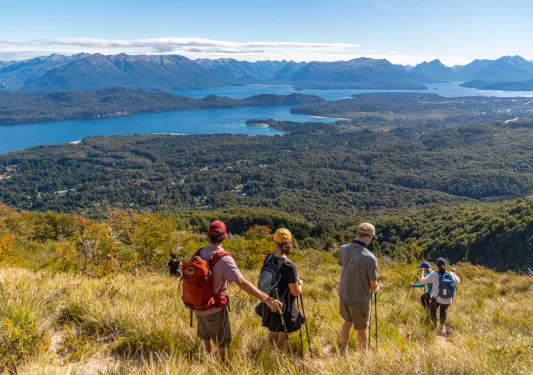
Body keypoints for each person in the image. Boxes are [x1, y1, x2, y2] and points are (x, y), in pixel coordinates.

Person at [192, 220, 282, 360]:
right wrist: (266, 299)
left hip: (197, 307)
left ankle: (208, 360)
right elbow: (242, 282)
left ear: (208, 235)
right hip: (214, 309)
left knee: (206, 335)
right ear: (225, 236)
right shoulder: (224, 259)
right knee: (222, 343)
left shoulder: (198, 253)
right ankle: (222, 366)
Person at [260, 228, 305, 350]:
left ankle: (268, 353)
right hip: (285, 304)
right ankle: (277, 358)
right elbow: (295, 291)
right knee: (283, 333)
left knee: (273, 329)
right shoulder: (289, 265)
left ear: (275, 241)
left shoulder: (269, 257)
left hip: (270, 301)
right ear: (290, 242)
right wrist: (300, 284)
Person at [338, 223, 379, 353]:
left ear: (358, 234)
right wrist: (376, 289)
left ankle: (343, 350)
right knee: (362, 328)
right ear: (368, 237)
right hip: (359, 298)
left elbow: (344, 265)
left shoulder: (343, 249)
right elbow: (373, 285)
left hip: (344, 293)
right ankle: (363, 354)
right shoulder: (370, 258)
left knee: (347, 322)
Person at [416, 258, 461, 333]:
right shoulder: (450, 274)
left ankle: (434, 326)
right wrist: (453, 273)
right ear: (445, 265)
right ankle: (441, 328)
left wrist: (422, 274)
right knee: (443, 311)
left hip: (437, 298)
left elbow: (423, 281)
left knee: (432, 310)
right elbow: (458, 281)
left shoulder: (435, 274)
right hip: (448, 299)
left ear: (437, 266)